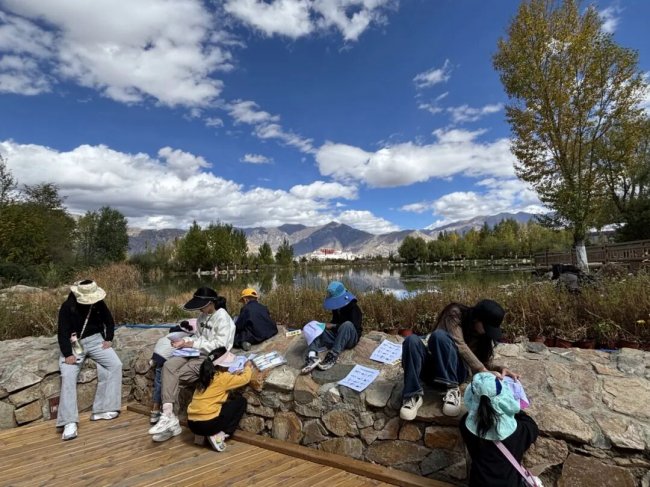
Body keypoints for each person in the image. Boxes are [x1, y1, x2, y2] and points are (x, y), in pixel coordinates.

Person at [399, 299, 518, 420]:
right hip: (431, 371)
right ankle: (412, 395)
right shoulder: (454, 314)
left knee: (439, 336)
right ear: (477, 319)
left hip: (456, 374)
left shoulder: (483, 337)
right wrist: (482, 369)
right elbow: (459, 343)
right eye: (487, 327)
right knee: (414, 340)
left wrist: (500, 369)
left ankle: (452, 390)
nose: (487, 332)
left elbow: (481, 362)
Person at [148, 287, 235, 441]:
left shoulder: (223, 318)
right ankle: (168, 415)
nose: (200, 309)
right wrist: (184, 341)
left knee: (174, 377)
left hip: (210, 358)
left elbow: (220, 346)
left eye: (201, 306)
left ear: (210, 303)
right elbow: (198, 337)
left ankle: (171, 420)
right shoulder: (202, 316)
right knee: (168, 366)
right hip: (193, 352)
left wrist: (192, 344)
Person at [56, 279, 123, 441]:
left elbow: (109, 320)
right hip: (74, 343)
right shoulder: (68, 307)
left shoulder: (98, 302)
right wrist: (67, 354)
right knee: (68, 374)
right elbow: (62, 332)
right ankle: (69, 422)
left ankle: (103, 409)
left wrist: (109, 338)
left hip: (96, 340)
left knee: (115, 365)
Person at [460, 372, 539, 487]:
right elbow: (531, 425)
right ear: (504, 397)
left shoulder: (465, 425)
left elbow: (476, 412)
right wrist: (510, 407)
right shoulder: (523, 429)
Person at [186, 347, 251, 451]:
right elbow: (245, 379)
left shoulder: (205, 376)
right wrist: (247, 367)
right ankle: (220, 434)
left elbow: (219, 383)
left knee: (214, 406)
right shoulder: (224, 378)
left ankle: (200, 436)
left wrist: (232, 375)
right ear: (222, 366)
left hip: (192, 424)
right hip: (207, 425)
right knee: (240, 401)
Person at [301, 281, 362, 373]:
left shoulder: (354, 308)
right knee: (317, 330)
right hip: (337, 337)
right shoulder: (337, 307)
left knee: (347, 324)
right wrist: (324, 326)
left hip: (350, 338)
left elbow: (354, 327)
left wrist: (333, 325)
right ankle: (312, 356)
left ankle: (333, 355)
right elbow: (335, 322)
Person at [148, 319, 196, 425]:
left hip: (157, 355)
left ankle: (155, 410)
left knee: (158, 382)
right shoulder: (188, 336)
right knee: (164, 382)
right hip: (166, 358)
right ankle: (162, 411)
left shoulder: (173, 332)